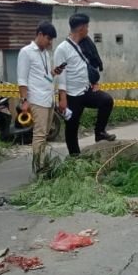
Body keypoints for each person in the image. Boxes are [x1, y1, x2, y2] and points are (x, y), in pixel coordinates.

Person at [53, 13, 115, 155]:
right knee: (72, 127)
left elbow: (89, 65)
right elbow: (60, 75)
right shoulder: (62, 49)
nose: (88, 29)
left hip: (86, 91)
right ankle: (75, 156)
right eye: (87, 26)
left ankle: (99, 132)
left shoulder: (84, 45)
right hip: (71, 95)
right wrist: (62, 98)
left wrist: (94, 82)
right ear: (81, 28)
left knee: (106, 101)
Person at [17, 21, 66, 173]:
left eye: (51, 39)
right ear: (39, 34)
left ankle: (43, 163)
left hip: (48, 98)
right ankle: (38, 167)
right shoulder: (26, 52)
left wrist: (54, 72)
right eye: (48, 38)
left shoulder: (45, 53)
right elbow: (22, 79)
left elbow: (44, 76)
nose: (50, 42)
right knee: (39, 135)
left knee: (45, 135)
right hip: (36, 99)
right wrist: (24, 101)